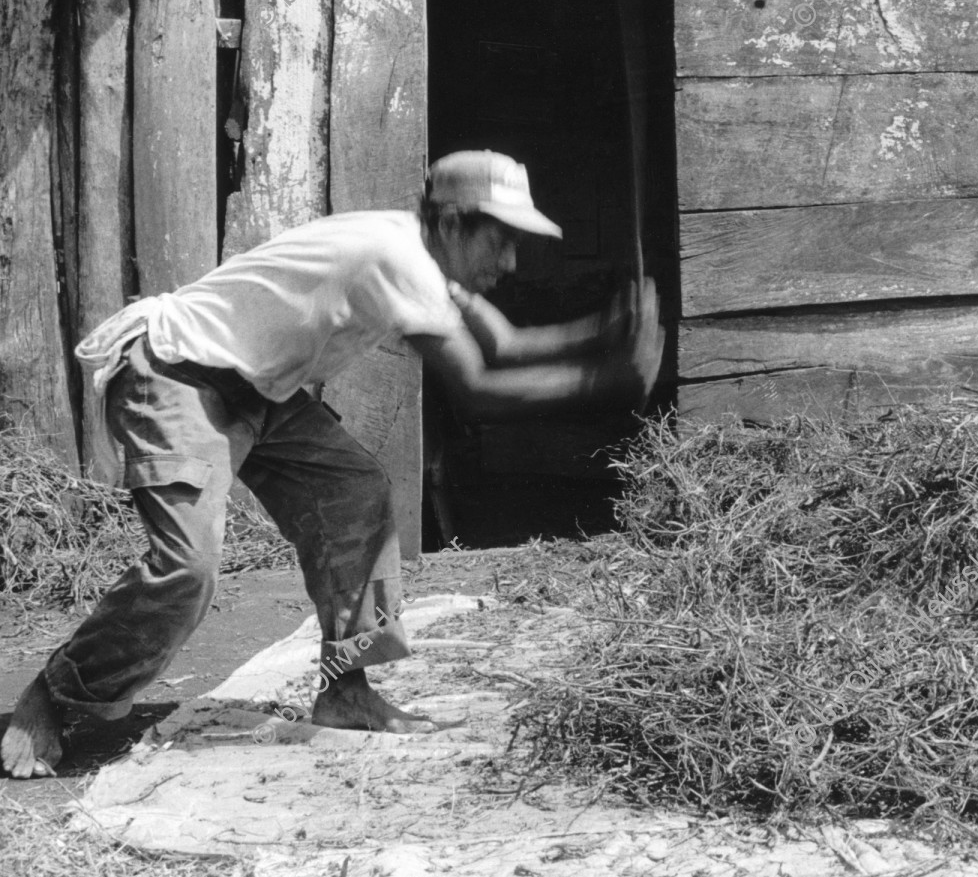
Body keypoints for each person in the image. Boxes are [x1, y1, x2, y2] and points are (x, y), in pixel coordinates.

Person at [1, 150, 662, 778]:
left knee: (355, 493)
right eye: (502, 240)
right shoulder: (397, 256)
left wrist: (605, 329)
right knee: (187, 568)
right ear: (455, 224)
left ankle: (346, 690)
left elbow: (507, 340)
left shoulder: (424, 253)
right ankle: (53, 696)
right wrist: (606, 381)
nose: (512, 261)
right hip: (176, 374)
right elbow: (479, 388)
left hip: (258, 390)